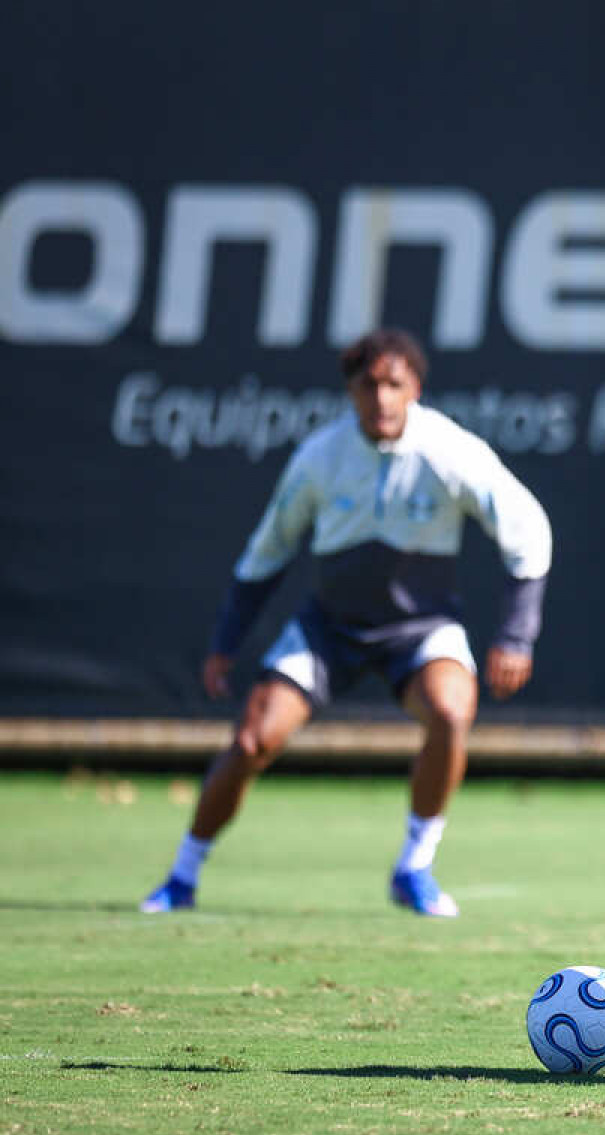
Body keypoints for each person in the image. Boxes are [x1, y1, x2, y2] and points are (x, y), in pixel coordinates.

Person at [140, 328, 553, 918]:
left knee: (452, 712)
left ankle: (414, 866)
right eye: (369, 384)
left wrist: (516, 633)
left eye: (395, 384)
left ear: (415, 389)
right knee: (254, 739)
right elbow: (268, 552)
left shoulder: (450, 451)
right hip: (329, 628)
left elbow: (529, 529)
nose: (382, 398)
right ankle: (181, 876)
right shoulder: (319, 457)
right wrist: (226, 642)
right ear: (350, 391)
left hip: (420, 627)